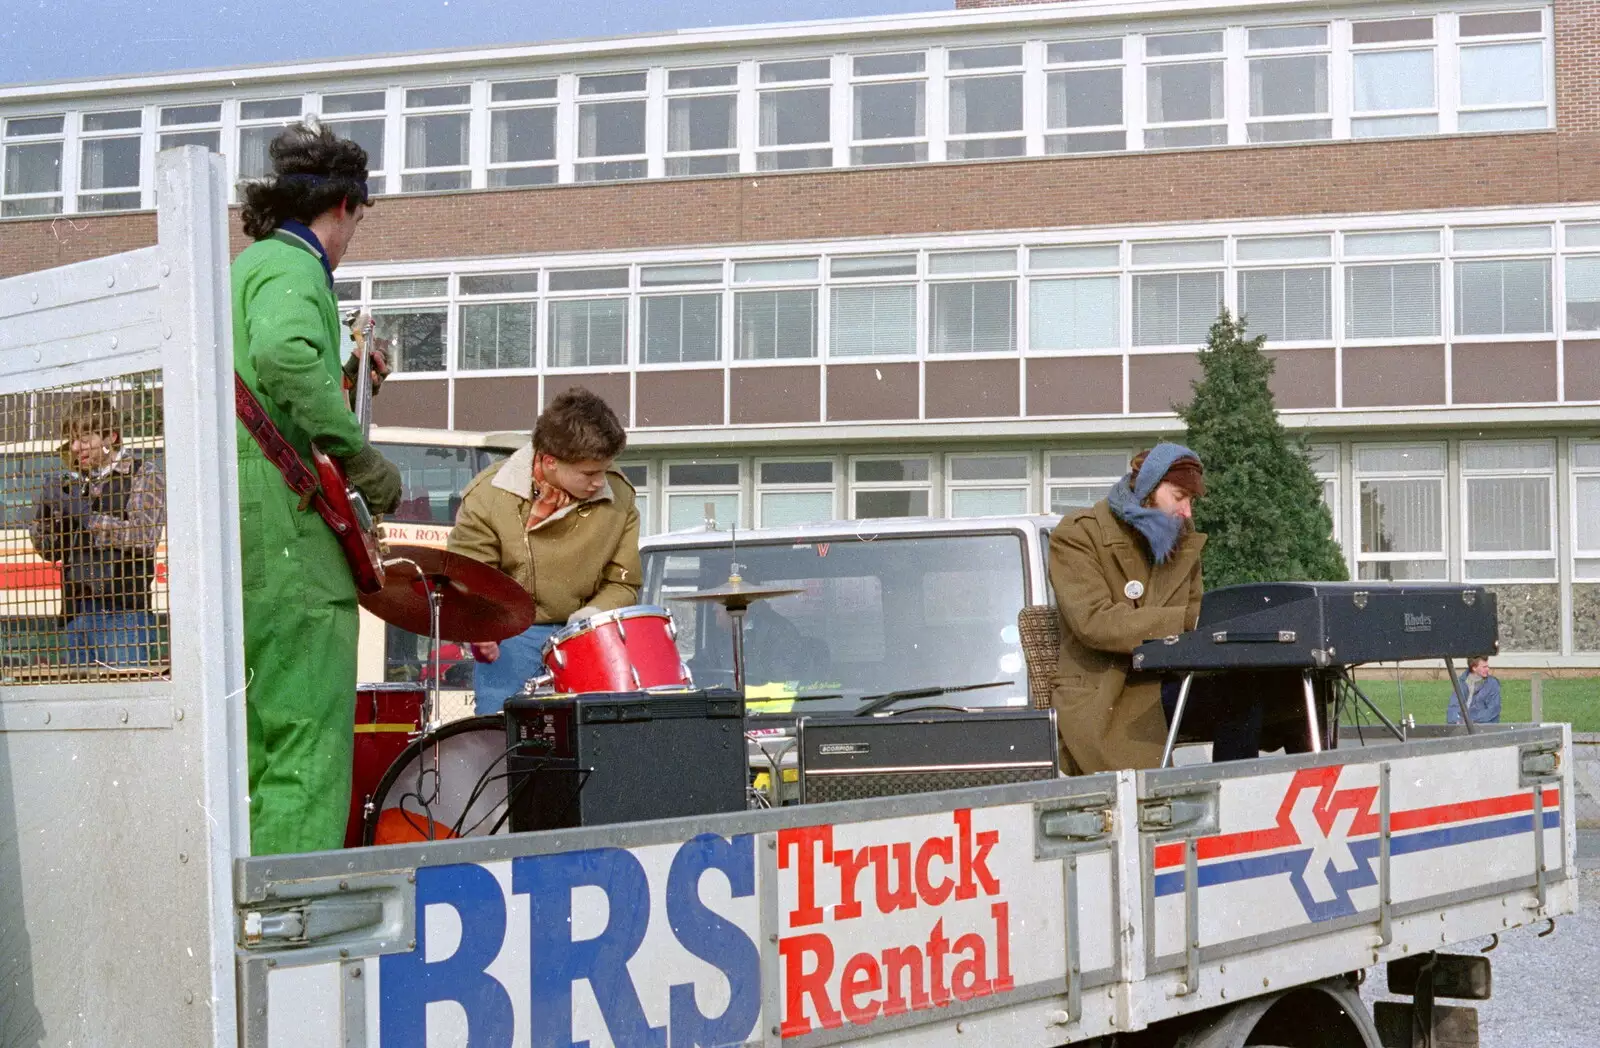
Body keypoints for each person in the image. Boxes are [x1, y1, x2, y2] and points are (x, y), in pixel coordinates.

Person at [234, 121, 402, 856]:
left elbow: (269, 371)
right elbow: (282, 355)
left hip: (246, 536)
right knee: (306, 748)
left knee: (255, 751)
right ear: (343, 205)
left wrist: (348, 386)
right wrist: (364, 461)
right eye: (359, 219)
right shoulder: (297, 269)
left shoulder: (249, 268)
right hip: (294, 543)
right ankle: (293, 926)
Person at [448, 388, 641, 713]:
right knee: (503, 739)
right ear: (549, 461)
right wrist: (480, 624)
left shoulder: (620, 496)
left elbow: (623, 582)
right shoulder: (488, 497)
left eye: (605, 470)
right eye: (589, 473)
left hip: (588, 635)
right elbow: (469, 576)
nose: (599, 482)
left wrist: (585, 620)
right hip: (510, 633)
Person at [1048, 444, 1207, 774]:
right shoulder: (1079, 534)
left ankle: (1240, 803)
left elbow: (1198, 611)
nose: (1187, 512)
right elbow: (1094, 622)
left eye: (1191, 501)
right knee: (1244, 705)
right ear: (1148, 489)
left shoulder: (1180, 539)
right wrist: (1185, 622)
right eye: (1179, 496)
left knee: (1260, 695)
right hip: (1108, 690)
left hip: (1167, 679)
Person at [28, 393, 166, 668]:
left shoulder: (143, 473)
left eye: (86, 438)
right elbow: (50, 551)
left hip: (124, 615)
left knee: (128, 697)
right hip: (75, 614)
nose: (76, 447)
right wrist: (44, 521)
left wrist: (87, 517)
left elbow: (144, 537)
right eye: (73, 439)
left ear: (111, 438)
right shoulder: (72, 483)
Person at [1447, 655, 1502, 725]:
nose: (1488, 669)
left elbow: (1493, 709)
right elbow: (1453, 706)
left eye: (1487, 666)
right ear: (1474, 668)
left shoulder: (1492, 684)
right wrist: (1455, 721)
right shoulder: (1461, 682)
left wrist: (1470, 720)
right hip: (1463, 726)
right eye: (1484, 667)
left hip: (1484, 727)